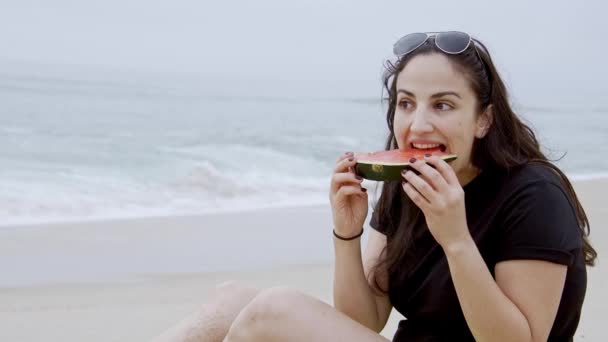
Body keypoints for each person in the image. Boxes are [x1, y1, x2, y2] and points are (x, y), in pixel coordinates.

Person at [151, 31, 597, 342]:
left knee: (274, 311)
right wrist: (347, 233)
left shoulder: (533, 196)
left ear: (483, 119)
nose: (418, 123)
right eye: (406, 103)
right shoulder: (405, 186)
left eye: (443, 105)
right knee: (233, 300)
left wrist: (456, 240)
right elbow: (363, 320)